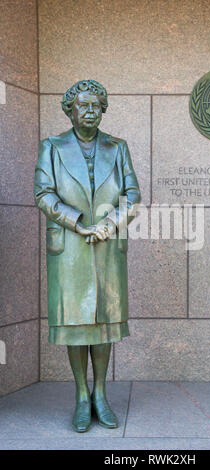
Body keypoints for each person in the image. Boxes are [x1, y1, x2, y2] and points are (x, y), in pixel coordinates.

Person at [34, 79, 141, 432]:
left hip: (108, 245)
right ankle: (81, 395)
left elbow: (132, 194)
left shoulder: (118, 147)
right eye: (84, 106)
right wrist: (78, 224)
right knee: (76, 323)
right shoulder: (52, 147)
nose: (91, 111)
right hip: (70, 246)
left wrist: (110, 224)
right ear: (71, 109)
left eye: (97, 105)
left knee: (104, 322)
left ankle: (100, 393)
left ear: (103, 109)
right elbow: (44, 194)